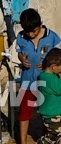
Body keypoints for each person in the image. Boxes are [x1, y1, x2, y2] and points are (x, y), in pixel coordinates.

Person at [18, 9, 61, 143]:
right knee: (24, 112)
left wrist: (47, 63)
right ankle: (23, 141)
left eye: (34, 31)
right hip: (27, 80)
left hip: (47, 83)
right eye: (28, 31)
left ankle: (46, 137)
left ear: (40, 25)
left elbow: (59, 56)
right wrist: (21, 58)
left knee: (47, 111)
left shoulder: (52, 36)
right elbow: (19, 51)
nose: (31, 34)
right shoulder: (21, 36)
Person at [38, 49, 61, 144]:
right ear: (54, 67)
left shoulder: (44, 75)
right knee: (58, 134)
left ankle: (43, 142)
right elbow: (59, 90)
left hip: (50, 114)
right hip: (53, 115)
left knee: (53, 135)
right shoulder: (50, 78)